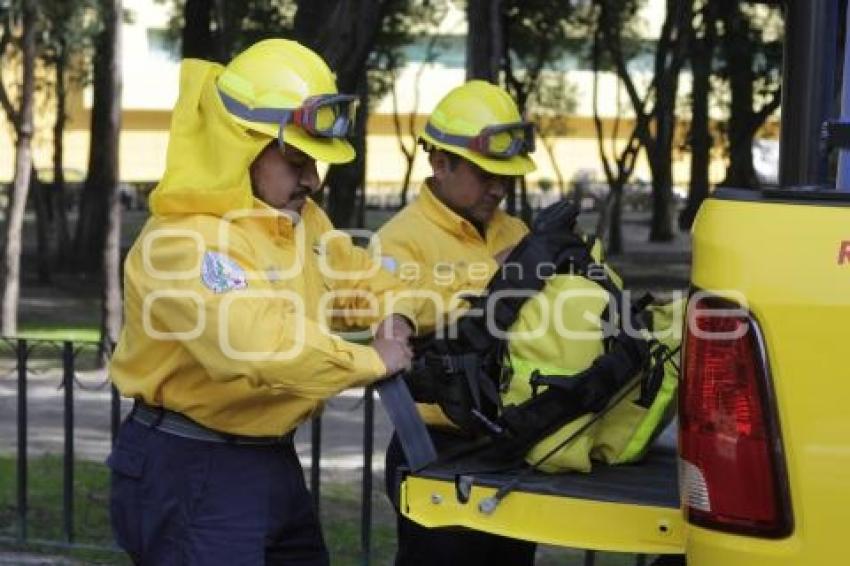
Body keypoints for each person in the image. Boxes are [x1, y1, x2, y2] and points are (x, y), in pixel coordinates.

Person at [107, 39, 427, 565]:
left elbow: (367, 282)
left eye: (317, 162)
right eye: (298, 159)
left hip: (270, 460)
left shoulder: (302, 221)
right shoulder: (183, 242)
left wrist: (393, 317)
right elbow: (258, 346)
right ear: (241, 144)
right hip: (192, 464)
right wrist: (373, 359)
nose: (313, 179)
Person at [378, 81, 538, 566]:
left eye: (506, 177)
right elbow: (397, 311)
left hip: (509, 446)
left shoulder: (518, 233)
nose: (499, 188)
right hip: (432, 448)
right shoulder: (396, 240)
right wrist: (506, 274)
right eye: (486, 173)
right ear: (440, 163)